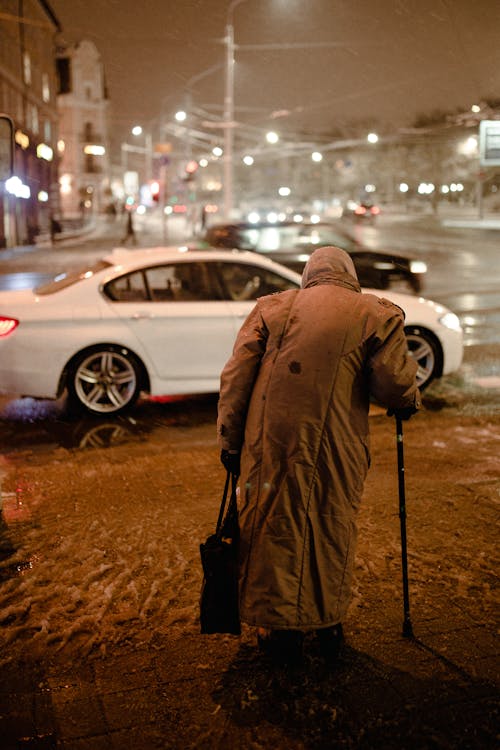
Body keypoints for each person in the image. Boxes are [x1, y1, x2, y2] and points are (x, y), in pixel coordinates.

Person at [217, 245, 421, 667]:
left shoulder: (272, 309)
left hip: (268, 446)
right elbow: (394, 386)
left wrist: (230, 442)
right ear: (349, 275)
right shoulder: (373, 313)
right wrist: (408, 400)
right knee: (329, 526)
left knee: (272, 525)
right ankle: (327, 625)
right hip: (336, 447)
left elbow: (236, 379)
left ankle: (277, 631)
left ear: (309, 274)